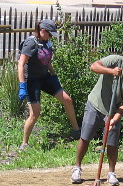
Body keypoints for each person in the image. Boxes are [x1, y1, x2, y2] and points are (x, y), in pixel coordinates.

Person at [70, 55, 123, 186]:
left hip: (112, 111)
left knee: (112, 142)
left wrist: (114, 119)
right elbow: (94, 66)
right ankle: (77, 168)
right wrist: (111, 71)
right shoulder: (116, 61)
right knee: (85, 137)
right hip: (95, 104)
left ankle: (111, 173)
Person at [17, 19, 80, 151]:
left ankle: (76, 132)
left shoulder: (46, 42)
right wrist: (22, 85)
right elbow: (21, 64)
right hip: (32, 80)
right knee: (35, 113)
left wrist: (54, 75)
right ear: (42, 31)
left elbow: (46, 60)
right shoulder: (31, 43)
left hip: (45, 77)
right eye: (49, 34)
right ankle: (24, 144)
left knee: (68, 100)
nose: (51, 37)